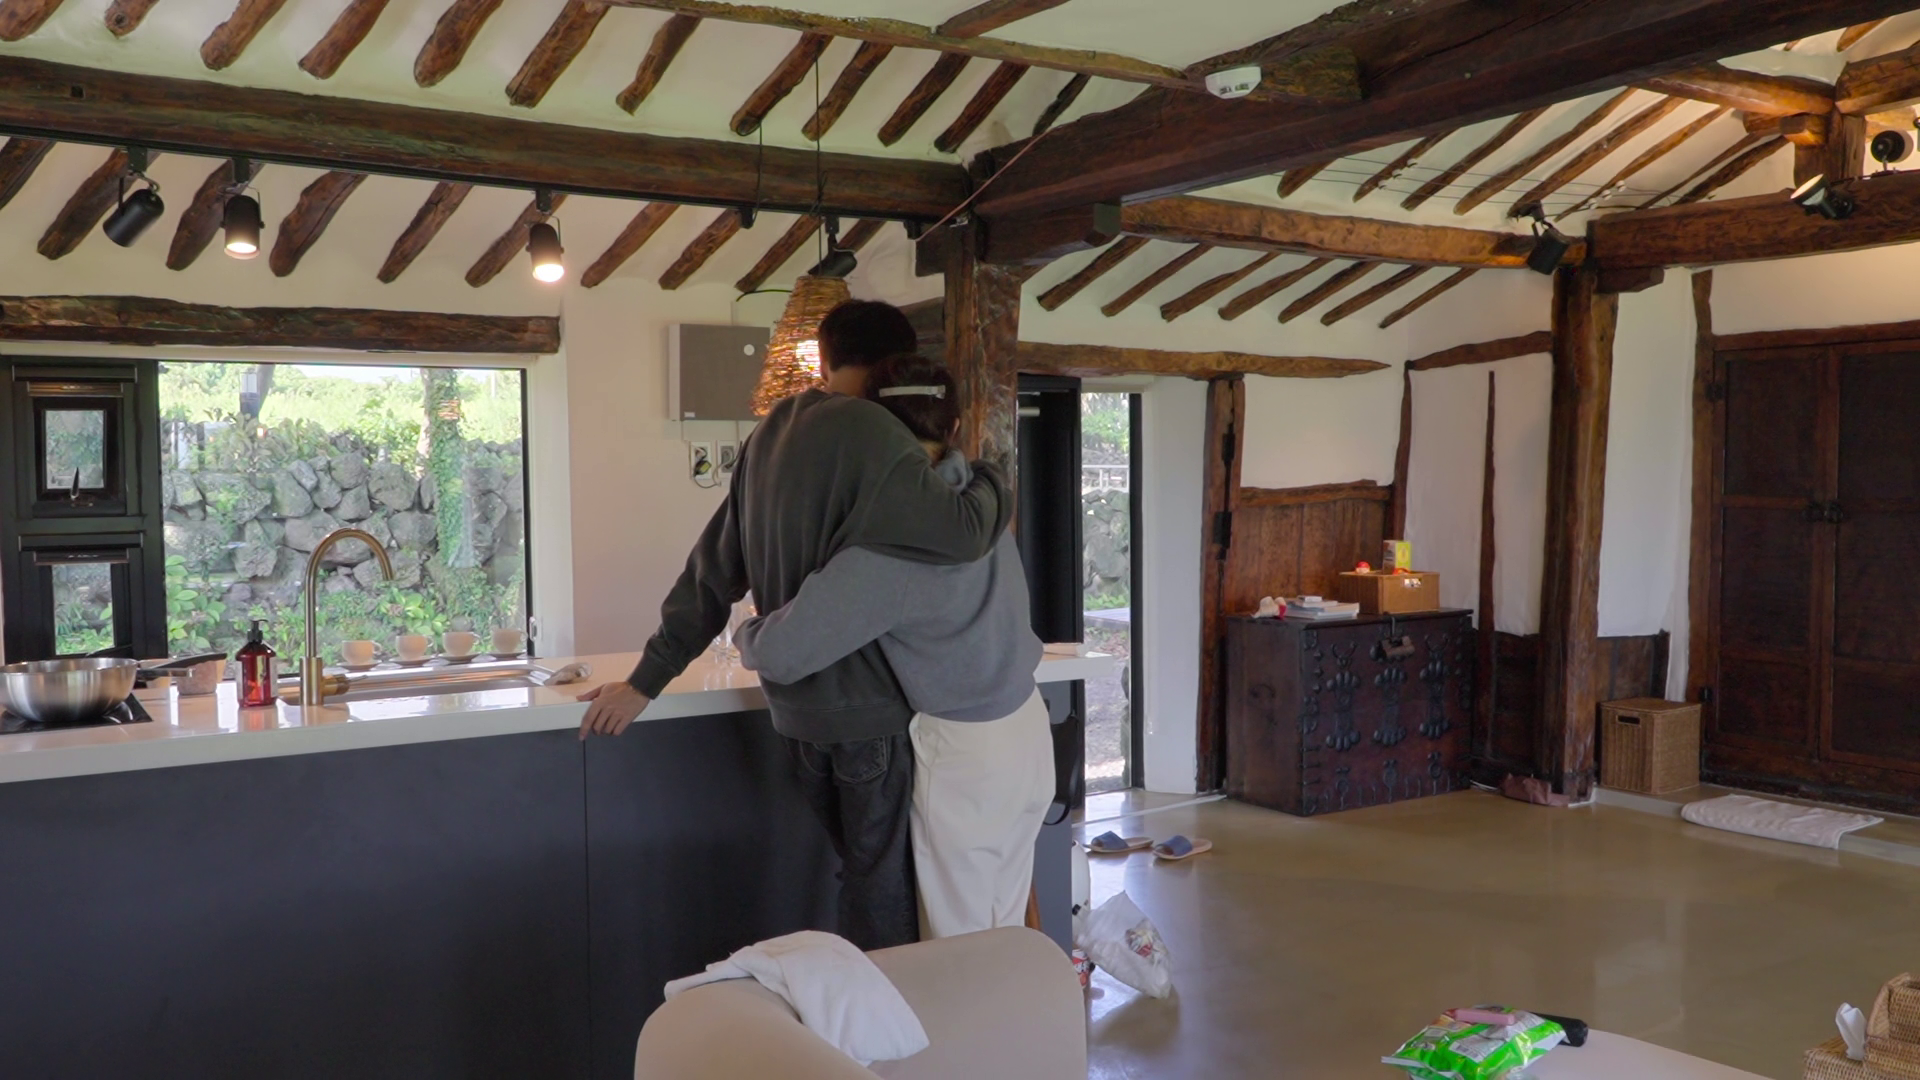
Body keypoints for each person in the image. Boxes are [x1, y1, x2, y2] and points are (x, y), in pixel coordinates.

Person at [577, 301, 1010, 952]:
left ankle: (858, 1006)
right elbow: (962, 533)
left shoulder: (770, 433)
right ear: (896, 363)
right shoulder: (875, 432)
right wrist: (996, 472)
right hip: (870, 715)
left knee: (859, 875)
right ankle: (885, 1016)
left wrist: (646, 680)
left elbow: (712, 571)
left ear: (824, 358)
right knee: (883, 887)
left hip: (796, 719)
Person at [735, 353, 1050, 940]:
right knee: (1002, 927)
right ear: (954, 426)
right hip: (1028, 730)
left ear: (866, 430)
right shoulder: (977, 493)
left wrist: (745, 631)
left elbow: (784, 653)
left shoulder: (893, 541)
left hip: (965, 753)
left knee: (956, 947)